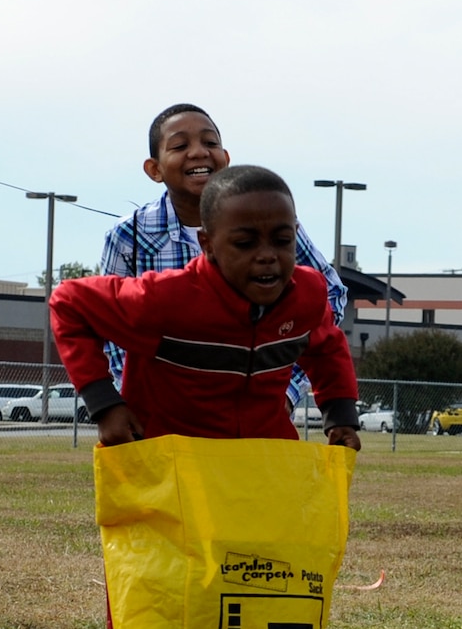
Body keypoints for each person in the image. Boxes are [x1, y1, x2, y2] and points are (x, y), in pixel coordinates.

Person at [50, 165, 362, 629]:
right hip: (170, 467)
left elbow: (325, 339)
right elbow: (69, 303)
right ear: (208, 244)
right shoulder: (162, 301)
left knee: (261, 589)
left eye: (282, 240)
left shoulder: (306, 292)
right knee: (153, 596)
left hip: (259, 467)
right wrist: (104, 402)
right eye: (245, 243)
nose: (267, 256)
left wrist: (340, 411)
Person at [100, 103, 346, 406]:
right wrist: (126, 399)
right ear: (155, 169)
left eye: (210, 142)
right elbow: (109, 328)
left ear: (226, 159)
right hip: (163, 414)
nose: (198, 152)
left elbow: (330, 295)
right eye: (180, 145)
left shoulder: (269, 222)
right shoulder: (129, 235)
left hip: (253, 410)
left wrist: (286, 389)